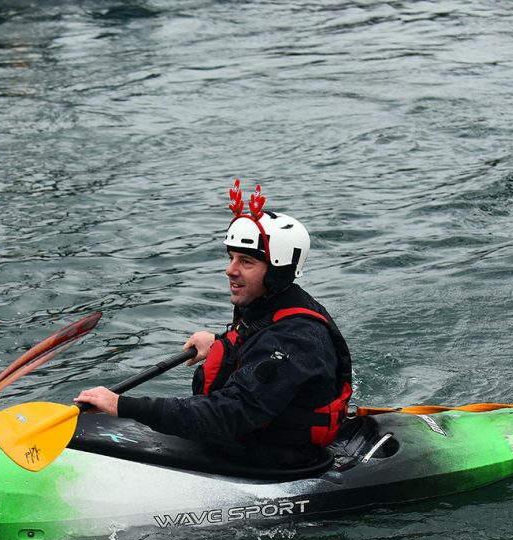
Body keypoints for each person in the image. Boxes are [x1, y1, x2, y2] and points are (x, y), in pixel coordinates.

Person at [75, 180, 354, 468]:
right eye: (231, 257)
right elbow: (261, 340)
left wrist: (122, 405)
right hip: (250, 440)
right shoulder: (268, 306)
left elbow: (227, 415)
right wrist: (222, 342)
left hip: (276, 461)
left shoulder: (296, 338)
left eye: (246, 261)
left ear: (277, 273)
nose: (230, 270)